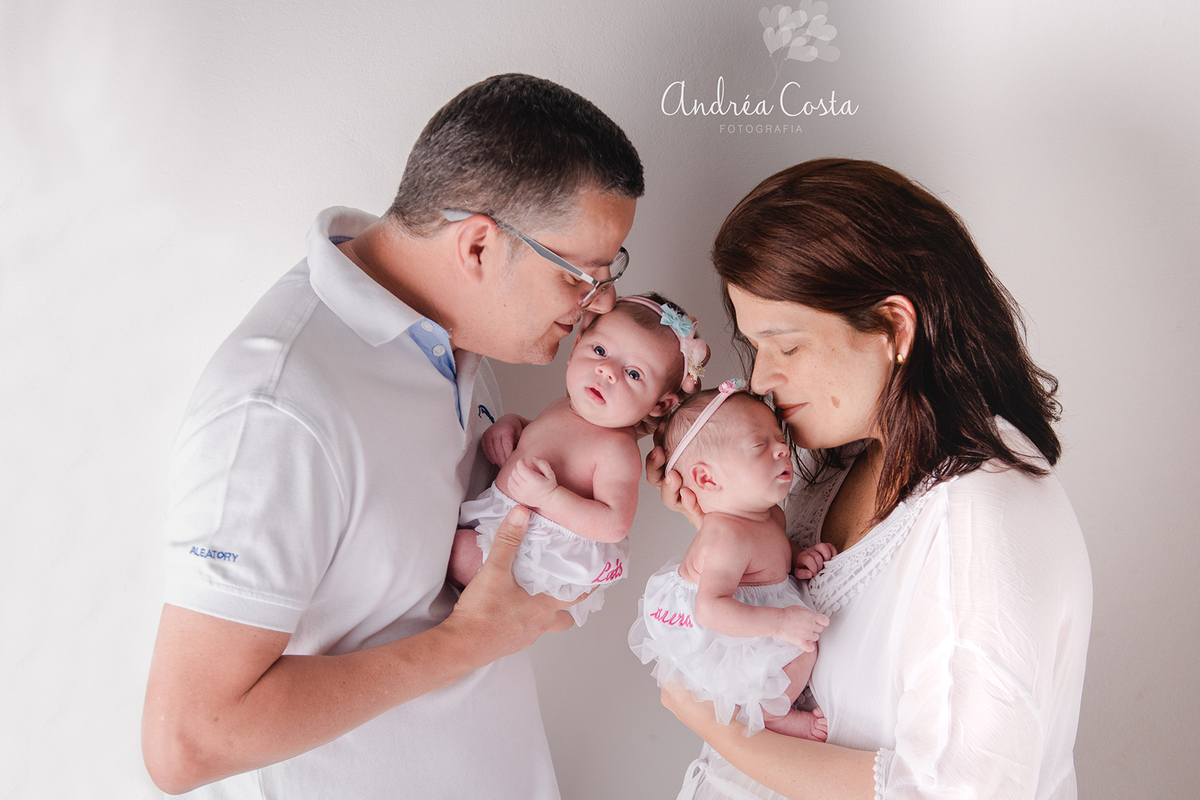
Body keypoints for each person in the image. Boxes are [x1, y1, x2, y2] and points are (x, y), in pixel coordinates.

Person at [140, 73, 644, 799]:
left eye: (609, 273)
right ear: (477, 247)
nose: (604, 305)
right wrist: (465, 645)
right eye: (582, 276)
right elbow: (188, 740)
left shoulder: (457, 338)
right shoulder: (280, 406)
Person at [646, 158, 1092, 800]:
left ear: (893, 328)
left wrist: (714, 725)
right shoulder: (842, 462)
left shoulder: (982, 515)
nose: (764, 378)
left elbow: (961, 791)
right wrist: (729, 529)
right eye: (756, 346)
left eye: (787, 346)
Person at [451, 293, 709, 625]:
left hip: (539, 551)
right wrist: (512, 425)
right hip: (505, 521)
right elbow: (547, 440)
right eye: (600, 351)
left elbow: (614, 523)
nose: (608, 371)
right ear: (575, 350)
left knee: (458, 553)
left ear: (659, 405)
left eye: (633, 374)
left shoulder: (617, 450)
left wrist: (548, 497)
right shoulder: (562, 407)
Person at [628, 380, 836, 738]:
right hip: (715, 626)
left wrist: (798, 557)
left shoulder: (770, 514)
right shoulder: (726, 537)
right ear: (706, 478)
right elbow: (710, 609)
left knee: (799, 647)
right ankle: (771, 712)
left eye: (779, 440)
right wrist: (779, 624)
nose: (781, 450)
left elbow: (771, 556)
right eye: (760, 445)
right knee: (801, 650)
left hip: (743, 607)